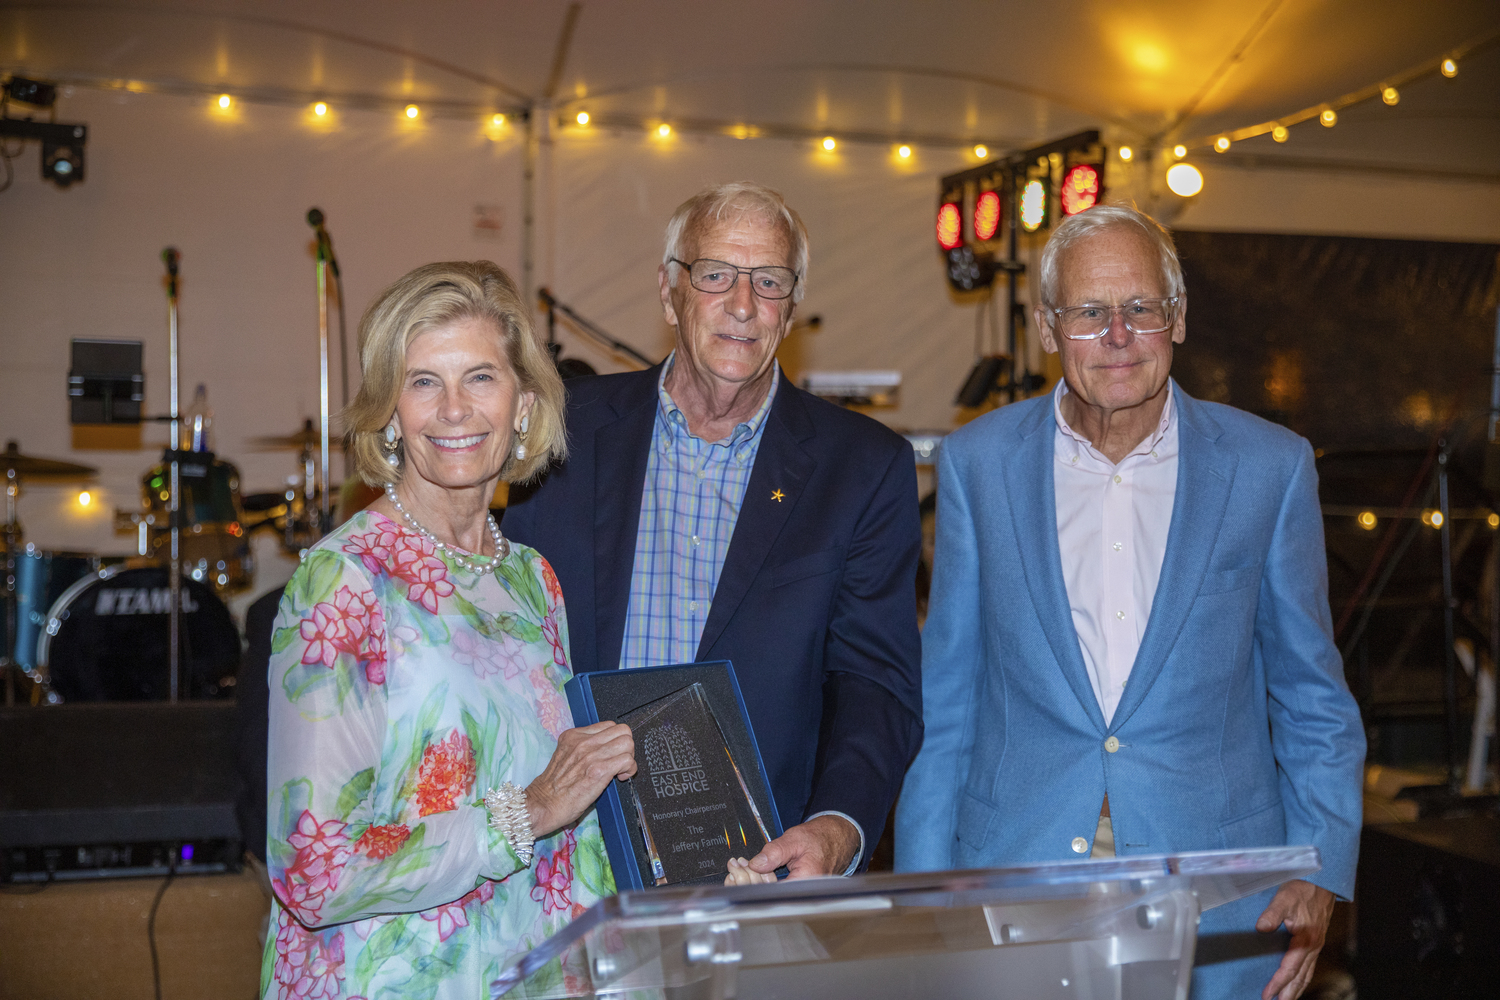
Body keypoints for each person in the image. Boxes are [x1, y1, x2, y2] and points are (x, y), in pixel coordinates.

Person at [894, 205, 1365, 1000]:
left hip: (1219, 899)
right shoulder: (980, 465)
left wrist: (1321, 866)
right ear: (1048, 328)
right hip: (1017, 880)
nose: (1118, 334)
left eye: (1141, 307)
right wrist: (921, 893)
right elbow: (946, 702)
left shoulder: (1267, 468)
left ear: (1176, 319)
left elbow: (1311, 693)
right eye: (1088, 312)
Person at [503, 182, 923, 880]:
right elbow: (511, 634)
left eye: (769, 281)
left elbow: (872, 681)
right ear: (670, 292)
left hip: (757, 864)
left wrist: (837, 826)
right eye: (716, 275)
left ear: (791, 308)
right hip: (564, 851)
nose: (742, 305)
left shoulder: (862, 468)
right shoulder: (563, 432)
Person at [262, 261, 635, 1000]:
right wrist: (526, 813)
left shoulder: (532, 578)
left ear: (523, 404)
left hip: (531, 972)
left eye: (481, 378)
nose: (455, 409)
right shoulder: (344, 579)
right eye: (424, 381)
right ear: (389, 411)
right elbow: (313, 871)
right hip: (398, 979)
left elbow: (561, 812)